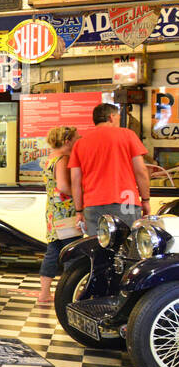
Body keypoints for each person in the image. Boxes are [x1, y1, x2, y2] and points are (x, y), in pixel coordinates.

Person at [70, 103, 149, 235]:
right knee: (127, 246)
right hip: (126, 200)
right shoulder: (127, 135)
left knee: (98, 247)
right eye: (118, 116)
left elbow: (75, 180)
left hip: (93, 204)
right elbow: (141, 171)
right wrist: (145, 200)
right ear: (111, 117)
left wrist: (79, 211)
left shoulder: (80, 143)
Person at [37, 125, 82, 305]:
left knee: (53, 251)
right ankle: (70, 292)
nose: (79, 140)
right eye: (76, 138)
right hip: (66, 211)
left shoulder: (50, 158)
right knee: (72, 252)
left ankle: (44, 293)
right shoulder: (63, 159)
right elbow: (63, 186)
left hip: (53, 211)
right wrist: (79, 196)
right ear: (67, 141)